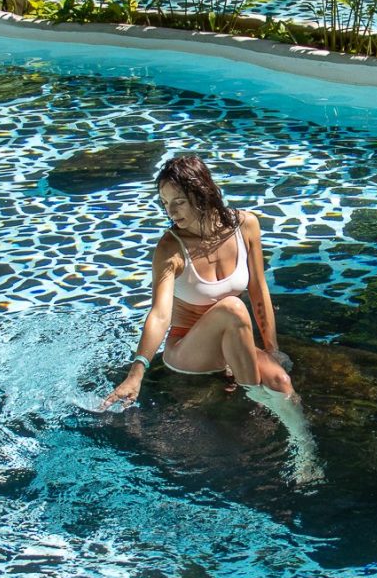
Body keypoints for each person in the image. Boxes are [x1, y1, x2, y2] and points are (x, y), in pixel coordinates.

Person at [102, 154, 320, 481]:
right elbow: (160, 314)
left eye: (179, 202)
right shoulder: (170, 248)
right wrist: (137, 372)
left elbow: (260, 290)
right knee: (232, 307)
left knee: (281, 381)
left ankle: (307, 456)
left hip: (235, 344)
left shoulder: (246, 225)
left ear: (202, 194)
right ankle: (254, 399)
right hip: (189, 350)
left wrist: (272, 349)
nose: (170, 212)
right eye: (164, 203)